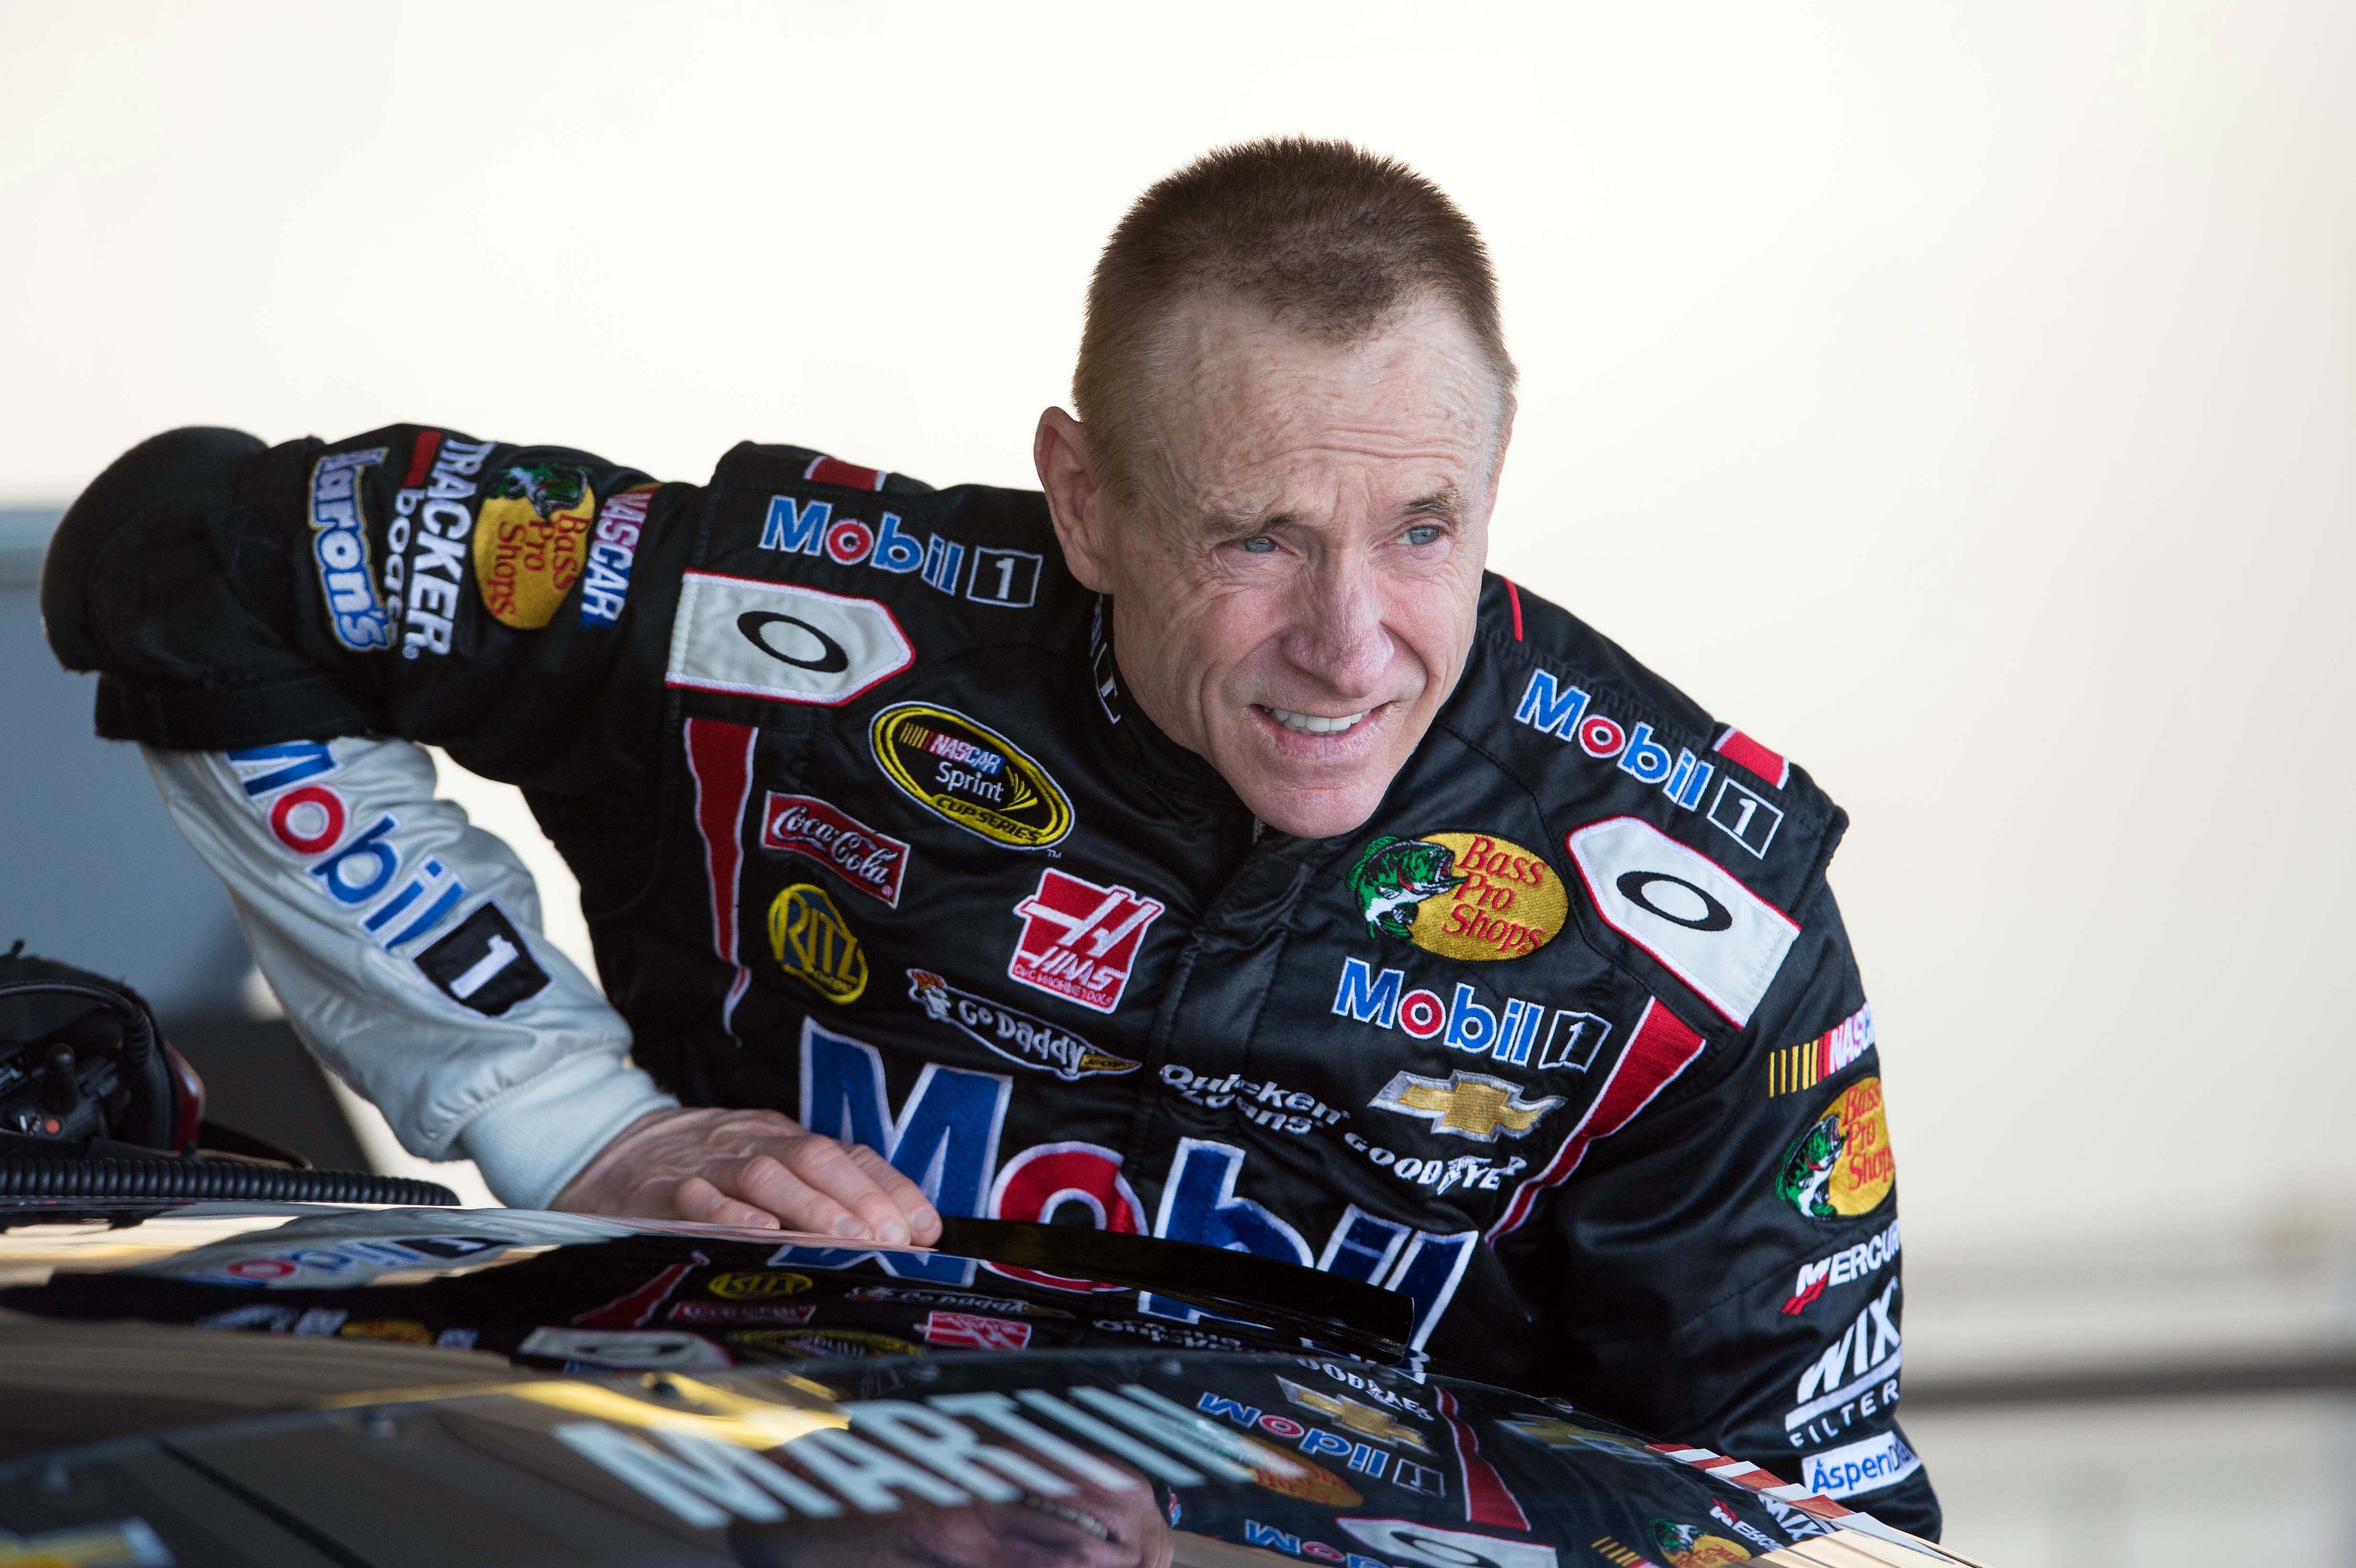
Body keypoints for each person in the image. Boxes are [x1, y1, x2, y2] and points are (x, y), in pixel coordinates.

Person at [43, 139, 1937, 1534]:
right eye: (1255, 534)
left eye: (1423, 528)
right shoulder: (792, 633)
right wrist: (567, 1115)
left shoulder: (1701, 932)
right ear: (1086, 500)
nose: (1350, 643)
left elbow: (1810, 1515)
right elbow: (181, 562)